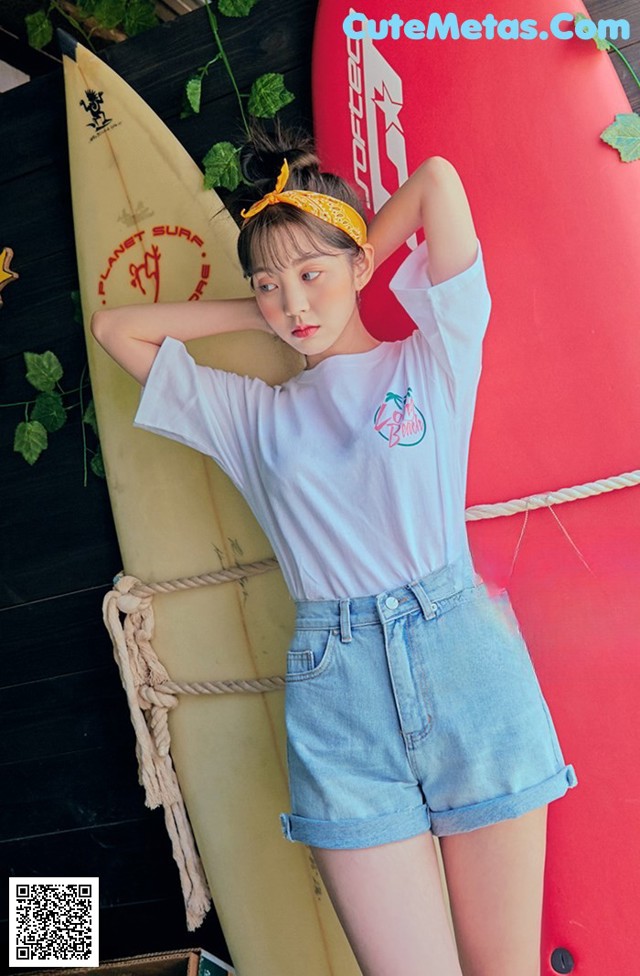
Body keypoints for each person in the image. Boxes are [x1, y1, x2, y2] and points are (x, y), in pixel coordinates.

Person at [91, 122, 577, 976]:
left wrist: (342, 268)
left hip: (466, 662)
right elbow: (115, 327)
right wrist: (277, 303)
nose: (291, 304)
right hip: (339, 695)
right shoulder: (251, 417)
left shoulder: (435, 359)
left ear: (360, 264)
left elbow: (436, 177)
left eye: (310, 275)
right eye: (269, 286)